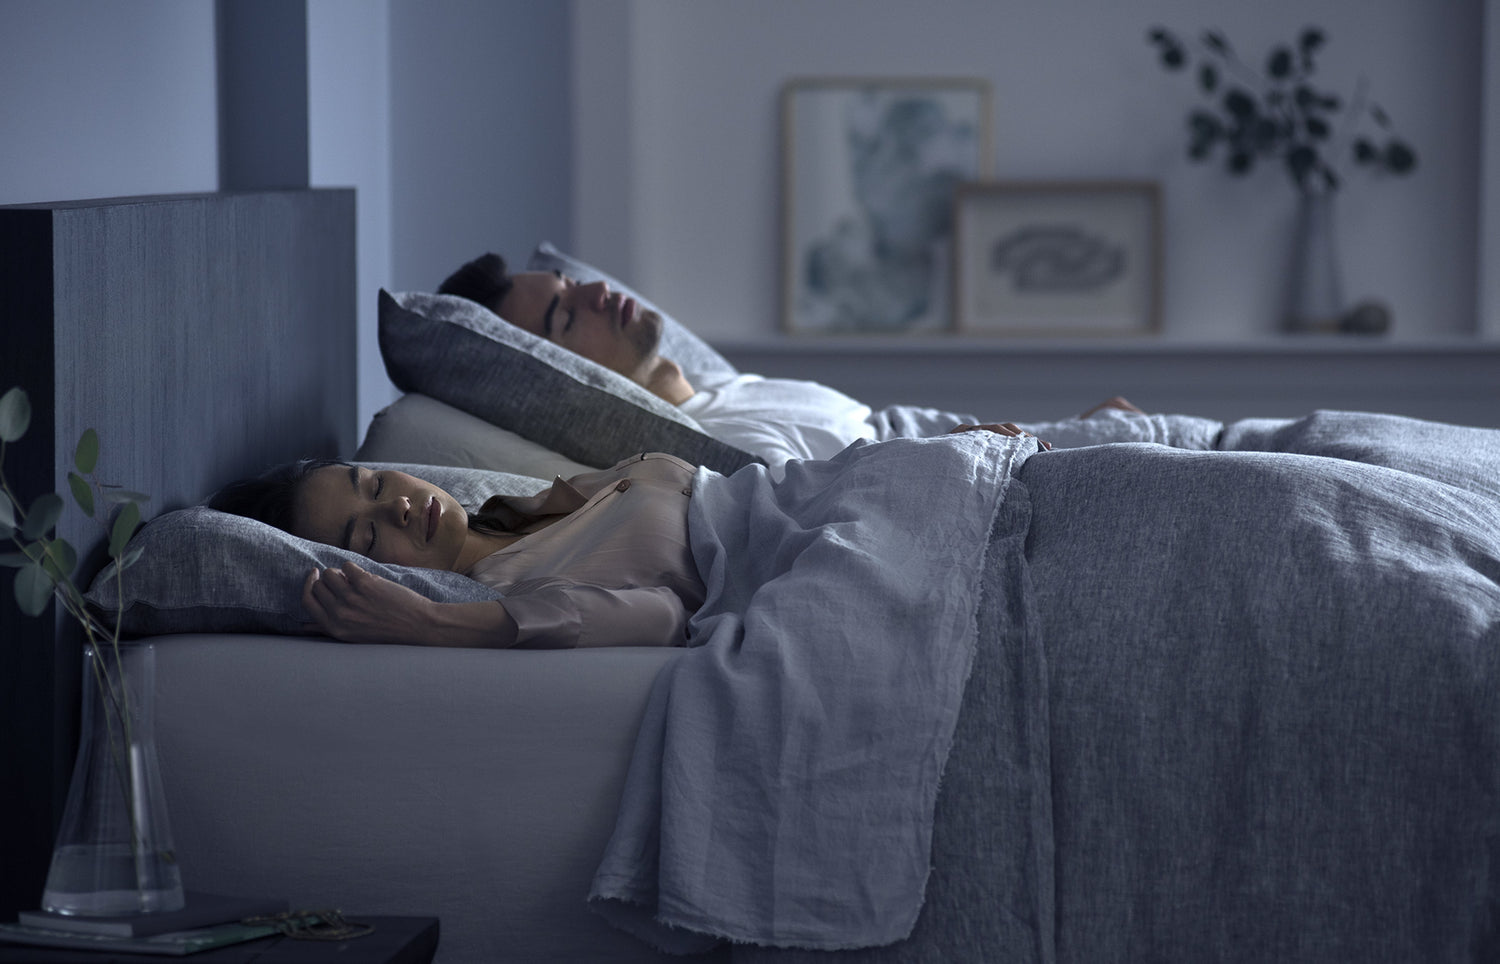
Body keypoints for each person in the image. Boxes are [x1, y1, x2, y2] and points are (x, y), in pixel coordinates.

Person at [210, 426, 1042, 649]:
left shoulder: (531, 507)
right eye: (365, 532)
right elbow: (654, 619)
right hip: (837, 547)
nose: (396, 505)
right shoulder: (508, 588)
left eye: (375, 482)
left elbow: (770, 484)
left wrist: (921, 451)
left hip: (864, 489)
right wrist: (426, 622)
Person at [437, 253, 1080, 471]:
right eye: (568, 316)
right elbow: (846, 506)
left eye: (570, 284)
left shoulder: (717, 385)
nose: (598, 291)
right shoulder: (719, 448)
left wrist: (1087, 424)